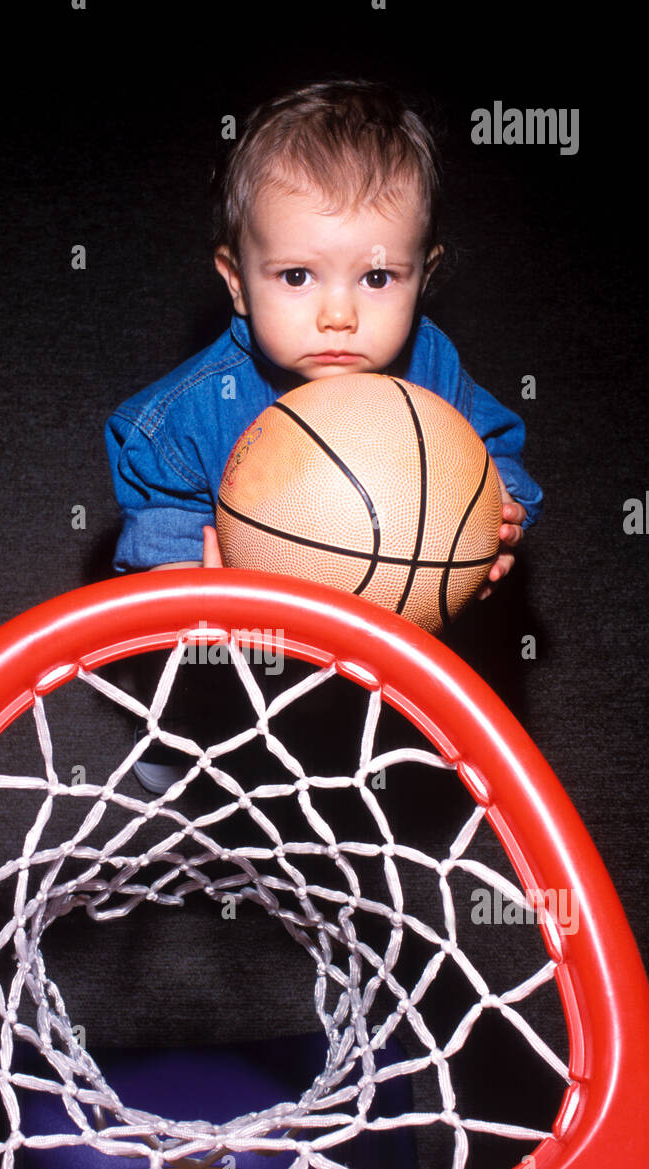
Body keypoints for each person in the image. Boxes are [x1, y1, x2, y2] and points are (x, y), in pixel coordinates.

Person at [105, 78, 543, 789]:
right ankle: (184, 734)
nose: (337, 315)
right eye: (298, 275)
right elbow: (155, 511)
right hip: (244, 632)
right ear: (237, 280)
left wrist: (493, 515)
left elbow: (493, 445)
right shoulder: (188, 413)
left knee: (370, 711)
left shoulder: (431, 368)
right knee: (207, 682)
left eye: (375, 278)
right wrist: (188, 578)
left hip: (389, 607)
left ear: (422, 277)